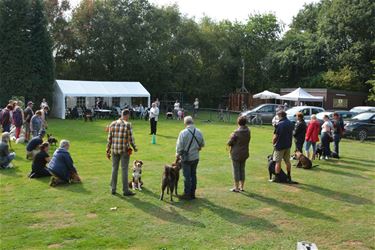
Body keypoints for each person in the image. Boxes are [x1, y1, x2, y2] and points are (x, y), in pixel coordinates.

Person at [106, 109, 138, 196]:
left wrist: (107, 150)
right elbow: (131, 139)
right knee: (124, 170)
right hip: (124, 150)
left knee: (114, 169)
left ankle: (113, 189)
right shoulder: (128, 125)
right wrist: (135, 148)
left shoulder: (112, 124)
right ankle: (125, 190)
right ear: (127, 115)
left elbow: (109, 139)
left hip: (114, 150)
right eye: (129, 116)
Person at [176, 116, 205, 200]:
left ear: (185, 123)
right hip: (195, 157)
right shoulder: (199, 131)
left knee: (187, 176)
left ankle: (187, 194)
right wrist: (198, 147)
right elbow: (202, 144)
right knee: (193, 175)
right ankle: (192, 193)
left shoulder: (183, 133)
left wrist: (177, 154)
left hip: (186, 158)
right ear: (192, 122)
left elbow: (179, 147)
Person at [227, 116, 251, 192]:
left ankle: (236, 187)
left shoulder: (236, 133)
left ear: (238, 123)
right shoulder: (248, 131)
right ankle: (242, 187)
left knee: (236, 170)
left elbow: (229, 143)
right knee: (242, 170)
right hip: (244, 153)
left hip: (236, 154)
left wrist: (231, 136)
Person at [272, 110, 294, 183]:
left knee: (278, 162)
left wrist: (273, 142)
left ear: (280, 116)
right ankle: (289, 176)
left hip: (280, 145)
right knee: (287, 161)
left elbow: (275, 136)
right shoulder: (290, 123)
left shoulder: (279, 124)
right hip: (288, 145)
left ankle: (277, 177)